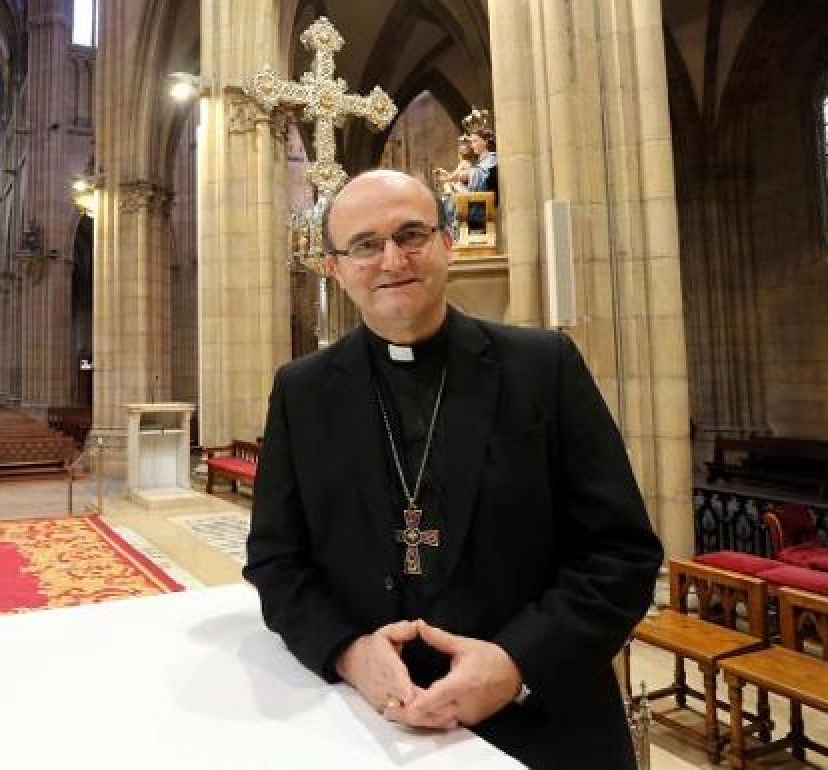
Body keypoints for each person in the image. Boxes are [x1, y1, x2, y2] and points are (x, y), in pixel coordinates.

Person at [243, 169, 662, 769]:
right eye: (365, 244)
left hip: (540, 719)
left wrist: (517, 662)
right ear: (333, 268)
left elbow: (622, 553)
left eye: (412, 234)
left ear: (448, 241)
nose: (392, 259)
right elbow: (276, 560)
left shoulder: (543, 368)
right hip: (368, 723)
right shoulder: (302, 391)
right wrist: (347, 651)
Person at [463, 129, 498, 194]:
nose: (472, 146)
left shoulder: (491, 159)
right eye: (471, 142)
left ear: (485, 141)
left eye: (475, 141)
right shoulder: (481, 161)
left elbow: (475, 192)